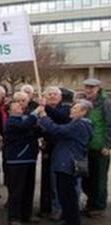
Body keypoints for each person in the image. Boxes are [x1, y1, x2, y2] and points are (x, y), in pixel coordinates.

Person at [38, 99, 94, 225]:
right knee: (65, 194)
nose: (71, 110)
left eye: (75, 109)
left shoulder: (80, 124)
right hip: (65, 163)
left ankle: (72, 221)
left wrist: (44, 117)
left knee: (68, 195)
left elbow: (57, 130)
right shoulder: (77, 124)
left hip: (67, 164)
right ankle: (68, 218)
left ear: (84, 112)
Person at [4, 100, 41, 225]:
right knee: (17, 190)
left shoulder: (27, 120)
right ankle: (14, 217)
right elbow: (24, 127)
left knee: (28, 189)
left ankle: (26, 215)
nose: (20, 106)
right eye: (16, 105)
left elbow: (37, 131)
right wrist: (36, 112)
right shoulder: (11, 122)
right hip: (16, 160)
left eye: (20, 105)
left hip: (30, 158)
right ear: (10, 111)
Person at [39, 86, 71, 220]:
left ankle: (59, 209)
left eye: (55, 94)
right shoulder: (42, 109)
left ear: (60, 97)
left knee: (57, 180)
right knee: (46, 179)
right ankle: (46, 207)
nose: (52, 96)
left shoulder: (65, 108)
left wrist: (45, 108)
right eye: (49, 94)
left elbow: (60, 117)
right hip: (47, 147)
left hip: (61, 148)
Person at [81, 78, 111, 218]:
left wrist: (107, 145)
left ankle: (98, 206)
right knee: (87, 178)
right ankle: (90, 203)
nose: (88, 90)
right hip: (86, 146)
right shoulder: (86, 103)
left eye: (91, 88)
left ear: (98, 88)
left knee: (99, 179)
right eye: (87, 87)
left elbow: (109, 125)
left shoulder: (105, 103)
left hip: (100, 147)